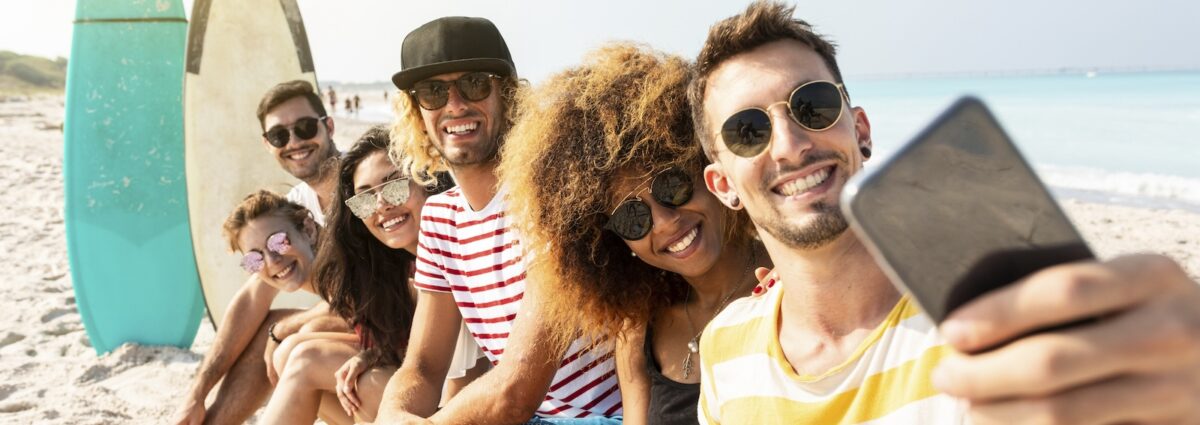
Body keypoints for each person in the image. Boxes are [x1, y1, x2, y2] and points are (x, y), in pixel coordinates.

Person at [691, 2, 1200, 424]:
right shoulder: (725, 348)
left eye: (814, 105)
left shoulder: (995, 315)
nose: (790, 145)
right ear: (723, 186)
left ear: (861, 131)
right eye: (748, 132)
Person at [498, 43, 768, 425]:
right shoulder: (640, 330)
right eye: (631, 218)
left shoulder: (787, 283)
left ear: (707, 169)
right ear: (614, 243)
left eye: (672, 186)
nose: (663, 222)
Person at [373, 16, 622, 424]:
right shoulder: (440, 218)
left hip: (596, 417)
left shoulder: (552, 195)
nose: (454, 104)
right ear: (417, 113)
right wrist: (393, 414)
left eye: (474, 83)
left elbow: (516, 391)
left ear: (507, 96)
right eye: (433, 92)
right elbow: (422, 367)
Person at [259, 126, 484, 423]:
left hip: (465, 411)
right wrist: (372, 355)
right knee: (308, 358)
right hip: (436, 402)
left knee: (306, 359)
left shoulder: (462, 257)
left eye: (394, 186)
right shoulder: (404, 266)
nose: (381, 206)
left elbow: (468, 387)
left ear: (427, 181)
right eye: (364, 199)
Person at [174, 80, 345, 424]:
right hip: (362, 336)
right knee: (268, 326)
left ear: (328, 126)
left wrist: (284, 331)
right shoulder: (299, 204)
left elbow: (375, 300)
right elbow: (252, 300)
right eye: (280, 136)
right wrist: (196, 392)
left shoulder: (365, 188)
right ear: (268, 146)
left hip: (399, 343)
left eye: (305, 127)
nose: (294, 142)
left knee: (291, 343)